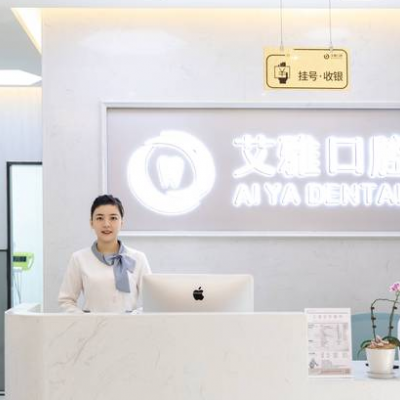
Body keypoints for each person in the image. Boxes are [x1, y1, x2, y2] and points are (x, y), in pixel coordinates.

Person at [58, 194, 151, 313]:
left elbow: (152, 302)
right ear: (91, 223)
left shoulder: (138, 258)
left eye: (113, 218)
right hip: (92, 325)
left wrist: (133, 316)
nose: (106, 224)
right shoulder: (79, 258)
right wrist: (85, 319)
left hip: (129, 324)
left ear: (121, 222)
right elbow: (65, 301)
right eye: (100, 218)